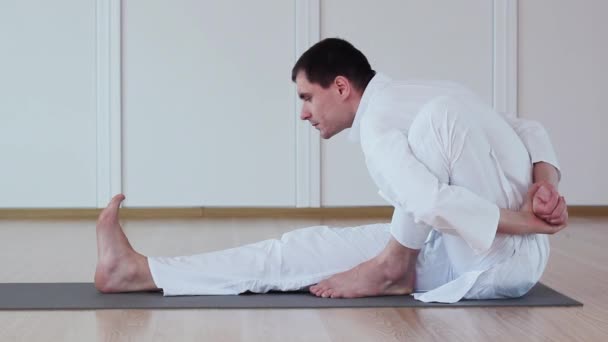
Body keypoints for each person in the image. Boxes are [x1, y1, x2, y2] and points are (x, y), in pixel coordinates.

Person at [94, 38, 568, 303]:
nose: (303, 113)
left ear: (340, 87)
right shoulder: (424, 93)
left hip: (495, 264)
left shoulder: (388, 124)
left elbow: (429, 201)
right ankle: (139, 271)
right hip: (475, 247)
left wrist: (532, 220)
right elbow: (528, 128)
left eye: (306, 97)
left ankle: (390, 268)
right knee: (301, 249)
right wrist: (545, 187)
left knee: (437, 126)